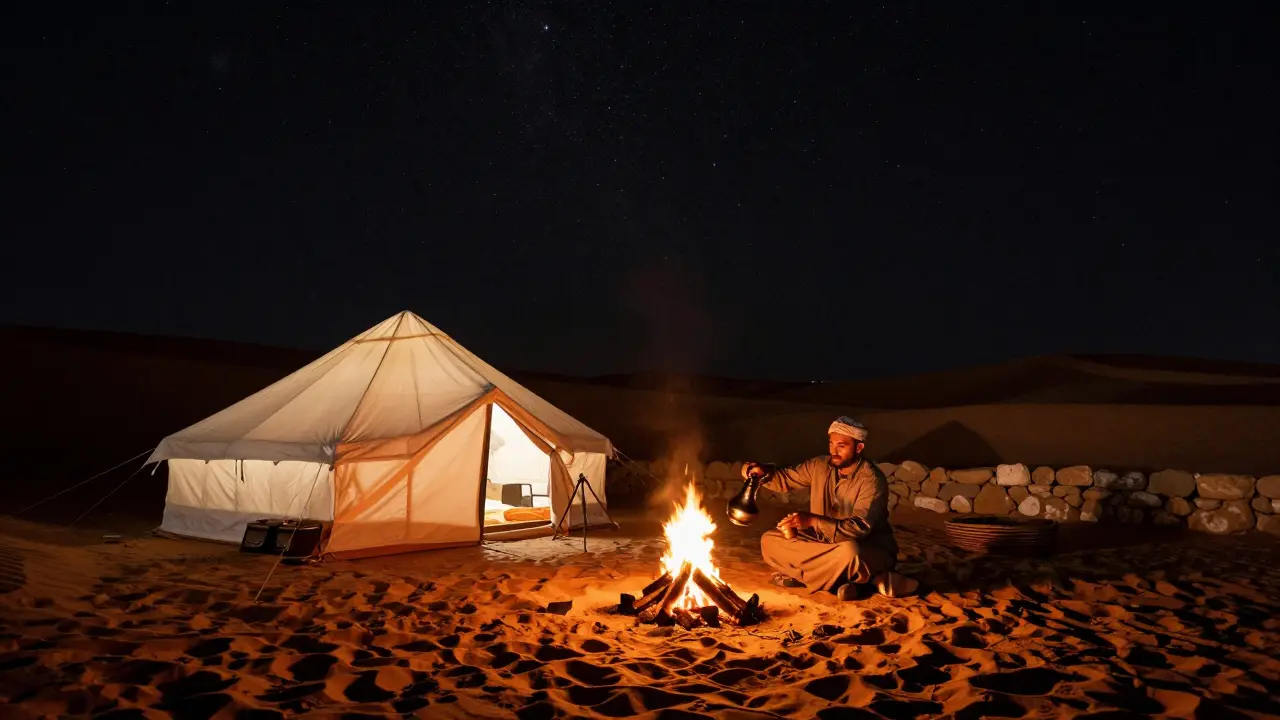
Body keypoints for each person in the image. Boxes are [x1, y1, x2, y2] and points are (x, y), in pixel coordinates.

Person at [740, 416, 919, 600]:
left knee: (850, 552)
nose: (834, 451)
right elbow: (784, 478)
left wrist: (811, 520)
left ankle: (820, 578)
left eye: (841, 445)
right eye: (831, 443)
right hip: (823, 544)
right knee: (769, 541)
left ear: (859, 448)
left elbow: (859, 528)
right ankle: (858, 582)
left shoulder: (872, 480)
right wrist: (760, 472)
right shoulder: (819, 466)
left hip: (866, 547)